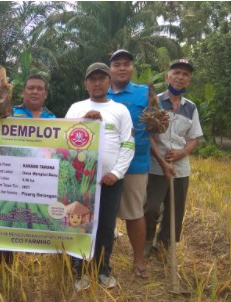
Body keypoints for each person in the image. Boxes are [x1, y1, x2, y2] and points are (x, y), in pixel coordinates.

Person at [66, 63, 135, 289]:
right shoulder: (76, 108)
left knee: (106, 226)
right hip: (80, 182)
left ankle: (103, 269)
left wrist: (115, 173)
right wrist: (85, 122)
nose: (97, 83)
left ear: (109, 82)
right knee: (79, 225)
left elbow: (128, 144)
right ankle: (79, 271)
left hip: (109, 182)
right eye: (92, 79)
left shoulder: (120, 110)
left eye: (101, 78)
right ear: (86, 84)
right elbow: (63, 141)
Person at [0, 74, 55, 265]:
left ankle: (43, 260)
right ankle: (2, 267)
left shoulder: (53, 119)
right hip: (12, 180)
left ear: (45, 94)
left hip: (39, 180)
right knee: (8, 219)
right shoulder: (9, 114)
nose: (35, 91)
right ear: (24, 92)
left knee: (38, 220)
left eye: (39, 88)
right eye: (31, 88)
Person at [144, 59, 203, 255]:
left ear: (189, 80)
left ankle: (163, 246)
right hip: (156, 165)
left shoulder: (191, 108)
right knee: (151, 208)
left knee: (175, 211)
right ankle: (146, 241)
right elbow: (149, 136)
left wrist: (182, 152)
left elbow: (194, 137)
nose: (180, 77)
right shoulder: (156, 102)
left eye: (185, 74)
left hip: (180, 167)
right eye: (177, 72)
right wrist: (162, 162)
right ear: (168, 76)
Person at [107, 49, 150, 278]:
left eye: (126, 64)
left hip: (135, 164)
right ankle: (101, 260)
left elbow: (159, 125)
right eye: (117, 65)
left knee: (134, 213)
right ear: (110, 69)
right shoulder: (100, 93)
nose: (122, 68)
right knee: (102, 214)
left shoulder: (145, 94)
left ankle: (139, 259)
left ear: (132, 68)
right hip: (104, 166)